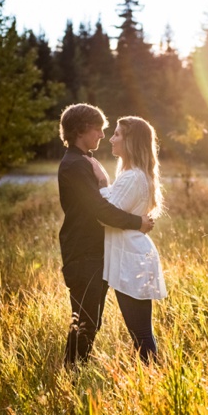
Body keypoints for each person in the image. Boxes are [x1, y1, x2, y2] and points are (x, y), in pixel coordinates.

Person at [57, 103, 154, 367]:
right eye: (97, 129)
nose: (102, 135)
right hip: (83, 253)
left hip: (96, 253)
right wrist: (138, 222)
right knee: (85, 319)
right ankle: (71, 372)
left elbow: (107, 200)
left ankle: (74, 371)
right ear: (80, 130)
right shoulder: (74, 165)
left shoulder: (85, 160)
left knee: (91, 320)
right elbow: (99, 208)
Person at [90, 116, 167, 363]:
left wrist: (101, 182)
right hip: (131, 256)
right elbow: (116, 207)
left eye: (117, 134)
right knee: (141, 332)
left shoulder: (132, 176)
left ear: (131, 141)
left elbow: (106, 214)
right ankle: (153, 382)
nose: (111, 139)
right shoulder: (133, 175)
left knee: (141, 333)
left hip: (132, 260)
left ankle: (155, 384)